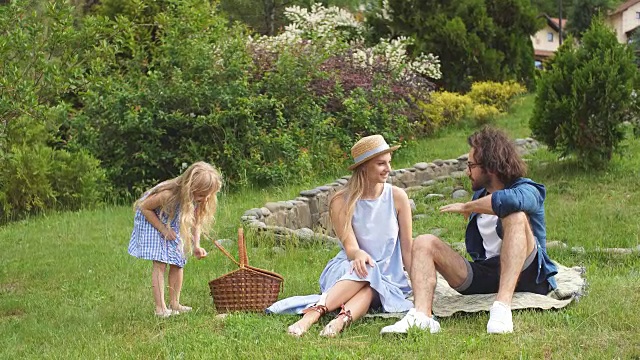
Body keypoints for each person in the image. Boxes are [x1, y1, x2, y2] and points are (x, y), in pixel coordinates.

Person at [380, 127, 558, 335]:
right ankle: (422, 316)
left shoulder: (529, 189)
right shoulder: (480, 195)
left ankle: (501, 308)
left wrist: (467, 207)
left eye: (471, 165)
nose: (467, 172)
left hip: (528, 275)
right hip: (487, 274)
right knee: (423, 242)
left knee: (515, 215)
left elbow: (510, 201)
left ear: (490, 166)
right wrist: (474, 205)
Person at [266, 134, 422, 337]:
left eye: (389, 163)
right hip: (350, 268)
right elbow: (350, 247)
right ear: (364, 166)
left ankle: (337, 322)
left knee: (371, 286)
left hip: (387, 276)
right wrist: (358, 255)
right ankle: (311, 317)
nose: (388, 169)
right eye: (381, 164)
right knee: (367, 270)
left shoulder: (397, 197)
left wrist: (418, 290)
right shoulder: (341, 201)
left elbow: (407, 247)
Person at [128, 161, 223, 317]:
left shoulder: (200, 199)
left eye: (208, 196)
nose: (205, 199)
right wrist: (163, 229)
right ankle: (160, 309)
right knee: (160, 262)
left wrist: (196, 245)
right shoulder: (168, 195)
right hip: (153, 220)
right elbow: (145, 207)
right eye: (201, 195)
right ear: (189, 188)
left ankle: (175, 303)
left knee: (178, 262)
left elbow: (195, 222)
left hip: (172, 221)